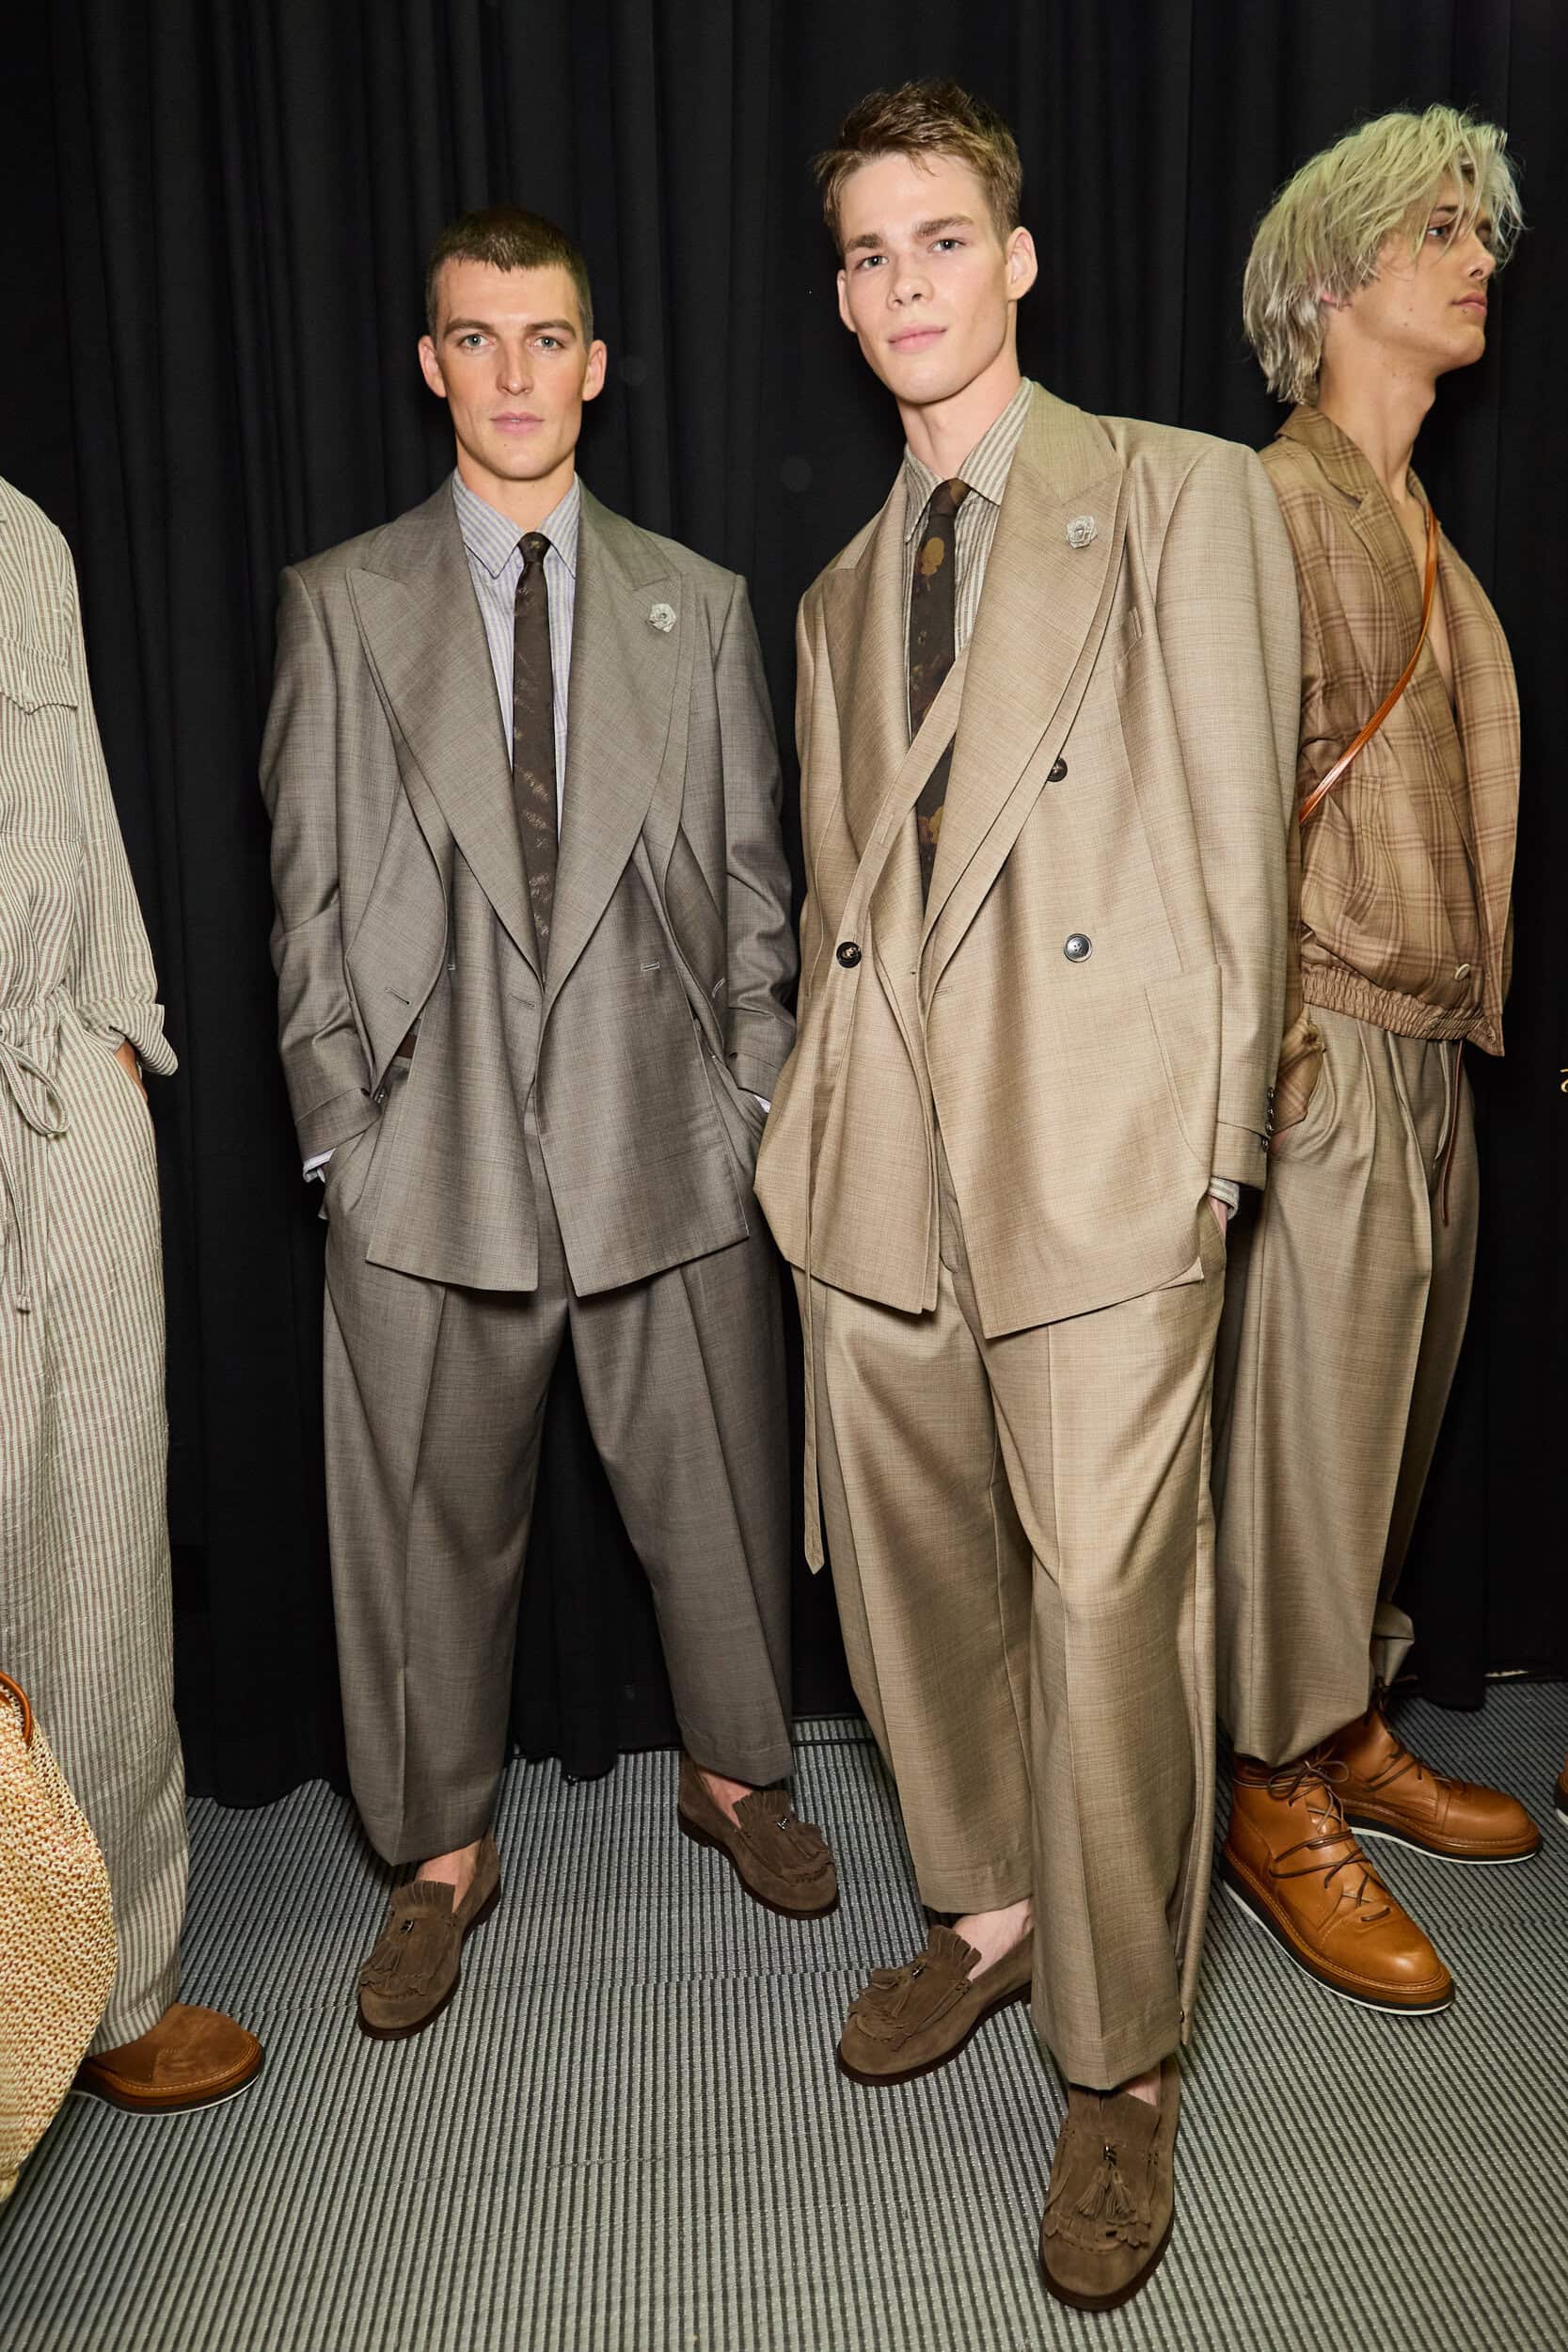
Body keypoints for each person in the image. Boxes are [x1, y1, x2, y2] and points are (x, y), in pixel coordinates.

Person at [753, 83, 1298, 2312]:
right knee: (914, 1592)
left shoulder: (1176, 493)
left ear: (1021, 257)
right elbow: (840, 907)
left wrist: (1219, 1152)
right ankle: (989, 1910)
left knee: (1106, 1618)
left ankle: (1122, 2056)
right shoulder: (834, 598)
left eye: (943, 239)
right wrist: (807, 1140)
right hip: (885, 1167)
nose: (906, 284)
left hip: (1101, 1144)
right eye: (869, 253)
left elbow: (1244, 845)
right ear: (843, 294)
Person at [261, 206, 835, 2042]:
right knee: (420, 1523)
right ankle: (438, 1853)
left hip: (668, 1138)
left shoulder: (700, 603)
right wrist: (339, 1137)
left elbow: (760, 894)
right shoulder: (341, 603)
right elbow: (305, 898)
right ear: (431, 363)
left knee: (720, 1493)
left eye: (547, 337)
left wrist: (754, 1105)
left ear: (595, 364)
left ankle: (735, 1774)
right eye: (477, 337)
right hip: (424, 1160)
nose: (514, 372)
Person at [1214, 108, 1537, 2016]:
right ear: (1334, 276)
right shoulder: (1273, 507)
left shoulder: (1417, 522)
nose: (1478, 256)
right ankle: (1269, 1781)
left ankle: (1342, 1720)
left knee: (1389, 1432)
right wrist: (1274, 1064)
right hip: (1328, 1037)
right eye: (1437, 228)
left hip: (1430, 1048)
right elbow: (1227, 812)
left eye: (1480, 229)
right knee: (1306, 1444)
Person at [0, 477, 261, 2113]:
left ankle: (112, 1984)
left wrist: (115, 1034)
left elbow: (78, 805)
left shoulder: (23, 537)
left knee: (100, 1552)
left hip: (56, 1091)